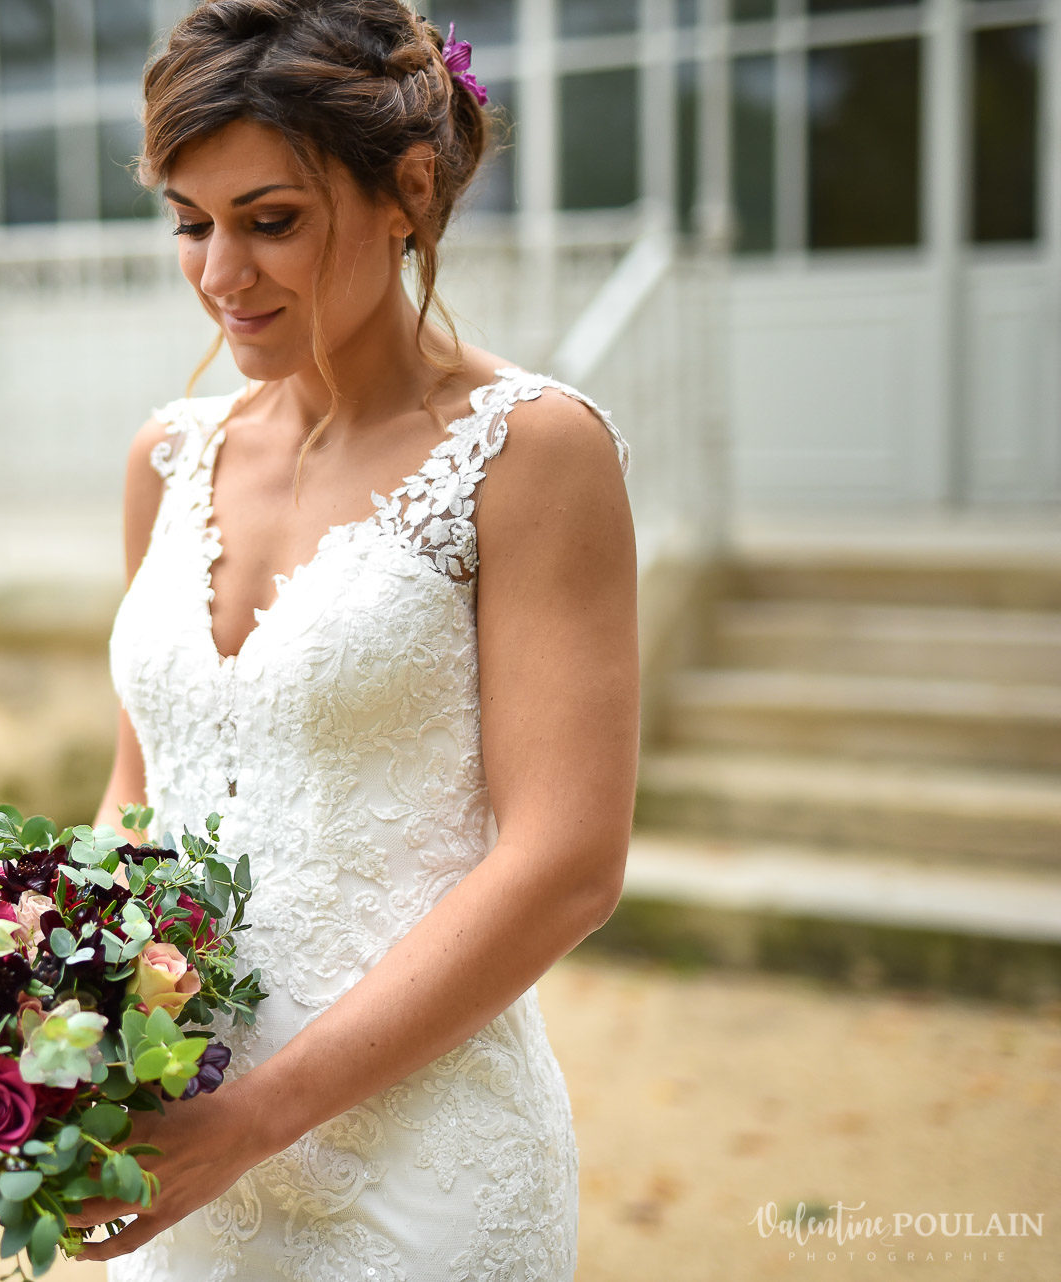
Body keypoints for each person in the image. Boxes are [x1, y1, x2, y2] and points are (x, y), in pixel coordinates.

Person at [75, 2, 640, 1278]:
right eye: (190, 221)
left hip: (420, 1167)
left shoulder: (533, 452)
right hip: (176, 1149)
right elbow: (137, 791)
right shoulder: (164, 461)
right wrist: (34, 1023)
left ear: (409, 192)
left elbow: (567, 861)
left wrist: (253, 1121)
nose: (222, 272)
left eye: (270, 220)